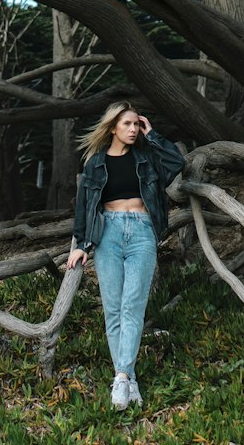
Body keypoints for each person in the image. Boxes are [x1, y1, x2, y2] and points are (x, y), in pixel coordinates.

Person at [66, 102, 185, 410]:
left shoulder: (145, 157)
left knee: (133, 306)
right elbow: (84, 206)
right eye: (127, 124)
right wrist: (81, 243)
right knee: (114, 310)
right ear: (112, 128)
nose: (133, 129)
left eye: (136, 124)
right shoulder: (96, 163)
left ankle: (120, 378)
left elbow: (176, 163)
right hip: (108, 234)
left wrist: (152, 133)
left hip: (142, 232)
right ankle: (128, 380)